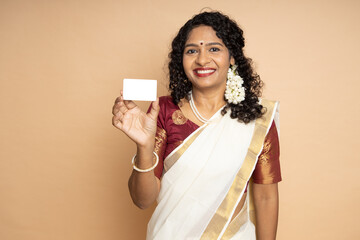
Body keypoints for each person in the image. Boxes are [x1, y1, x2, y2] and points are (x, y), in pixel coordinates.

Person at [112, 11, 281, 240]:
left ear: (232, 56)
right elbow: (142, 200)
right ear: (181, 59)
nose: (202, 59)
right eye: (192, 50)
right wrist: (144, 146)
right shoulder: (163, 111)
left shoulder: (256, 118)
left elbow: (266, 197)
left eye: (214, 48)